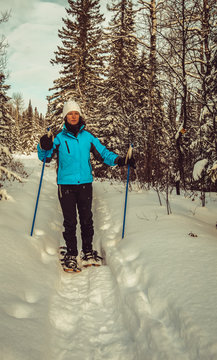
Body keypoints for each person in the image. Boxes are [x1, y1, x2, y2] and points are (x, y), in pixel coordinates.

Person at [37, 99, 135, 272]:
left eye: (76, 113)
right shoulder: (59, 138)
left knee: (86, 219)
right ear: (65, 117)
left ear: (79, 115)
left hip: (85, 184)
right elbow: (46, 157)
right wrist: (43, 145)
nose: (73, 116)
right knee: (70, 221)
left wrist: (120, 160)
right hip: (65, 185)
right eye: (70, 114)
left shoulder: (88, 137)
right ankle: (71, 254)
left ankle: (88, 250)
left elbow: (103, 153)